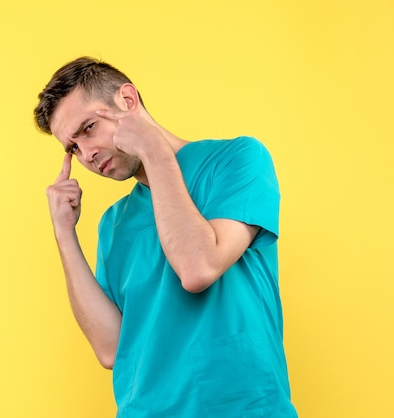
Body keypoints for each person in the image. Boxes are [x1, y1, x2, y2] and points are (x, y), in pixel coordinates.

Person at [34, 57, 298, 417]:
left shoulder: (236, 159)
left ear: (128, 101)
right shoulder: (113, 223)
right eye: (73, 148)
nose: (88, 154)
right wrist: (64, 233)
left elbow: (198, 268)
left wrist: (152, 148)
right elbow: (111, 349)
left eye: (90, 128)